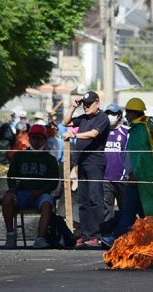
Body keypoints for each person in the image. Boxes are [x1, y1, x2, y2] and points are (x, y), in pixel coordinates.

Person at [101, 98, 153, 247]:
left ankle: (117, 238)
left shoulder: (139, 129)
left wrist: (133, 173)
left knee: (128, 210)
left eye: (128, 113)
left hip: (138, 176)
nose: (126, 116)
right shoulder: (144, 126)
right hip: (143, 176)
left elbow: (139, 155)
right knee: (145, 211)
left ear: (133, 113)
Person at [61, 91, 110, 247]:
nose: (86, 107)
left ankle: (98, 234)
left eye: (89, 104)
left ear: (97, 103)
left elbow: (94, 134)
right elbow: (65, 122)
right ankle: (86, 234)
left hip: (95, 162)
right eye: (84, 104)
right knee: (83, 199)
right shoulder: (83, 118)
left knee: (96, 198)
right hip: (82, 163)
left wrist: (74, 135)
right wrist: (73, 107)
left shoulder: (102, 118)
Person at [2, 125, 60, 249]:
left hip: (41, 195)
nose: (36, 141)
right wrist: (12, 188)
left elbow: (54, 182)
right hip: (22, 193)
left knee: (47, 203)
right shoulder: (20, 156)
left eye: (39, 138)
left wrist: (41, 191)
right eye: (34, 138)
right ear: (29, 139)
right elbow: (11, 175)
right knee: (7, 197)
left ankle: (40, 238)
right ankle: (10, 235)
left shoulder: (50, 159)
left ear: (44, 140)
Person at [103, 103, 129, 222]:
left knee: (125, 209)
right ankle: (107, 234)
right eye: (107, 113)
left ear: (119, 116)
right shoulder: (102, 132)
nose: (110, 116)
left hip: (122, 178)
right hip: (105, 177)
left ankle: (125, 234)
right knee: (107, 209)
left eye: (112, 114)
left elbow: (130, 155)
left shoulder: (126, 132)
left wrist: (126, 174)